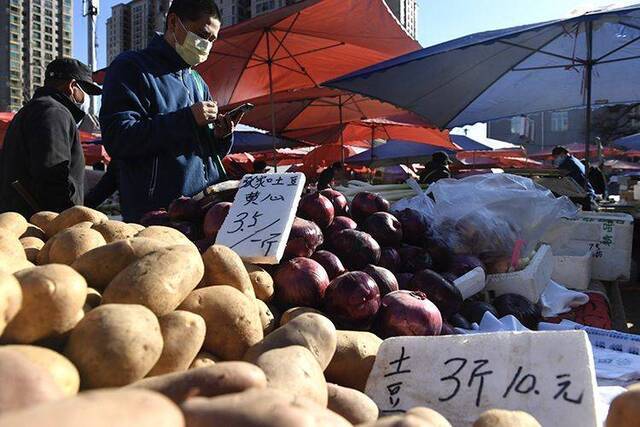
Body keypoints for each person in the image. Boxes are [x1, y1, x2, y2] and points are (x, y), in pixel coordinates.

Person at [100, 0, 242, 222]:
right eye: (202, 35)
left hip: (204, 213)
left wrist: (220, 137)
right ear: (174, 22)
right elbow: (118, 138)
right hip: (157, 216)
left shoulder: (197, 81)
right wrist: (187, 118)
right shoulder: (132, 67)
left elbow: (201, 154)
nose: (206, 45)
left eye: (212, 40)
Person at [0, 58, 102, 217]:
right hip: (42, 224)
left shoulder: (33, 110)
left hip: (24, 217)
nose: (85, 98)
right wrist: (65, 219)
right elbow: (52, 174)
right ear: (72, 86)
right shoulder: (54, 112)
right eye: (85, 92)